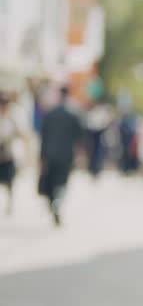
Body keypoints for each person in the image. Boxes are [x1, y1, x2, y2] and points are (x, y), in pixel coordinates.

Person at [39, 86, 82, 227]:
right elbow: (80, 137)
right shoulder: (73, 115)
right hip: (66, 155)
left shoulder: (49, 114)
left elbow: (43, 137)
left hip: (50, 154)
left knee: (50, 182)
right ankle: (57, 202)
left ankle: (53, 203)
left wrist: (41, 156)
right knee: (61, 183)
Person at [0, 92, 22, 215]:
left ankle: (9, 204)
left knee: (9, 182)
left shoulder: (12, 118)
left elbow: (20, 134)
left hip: (8, 154)